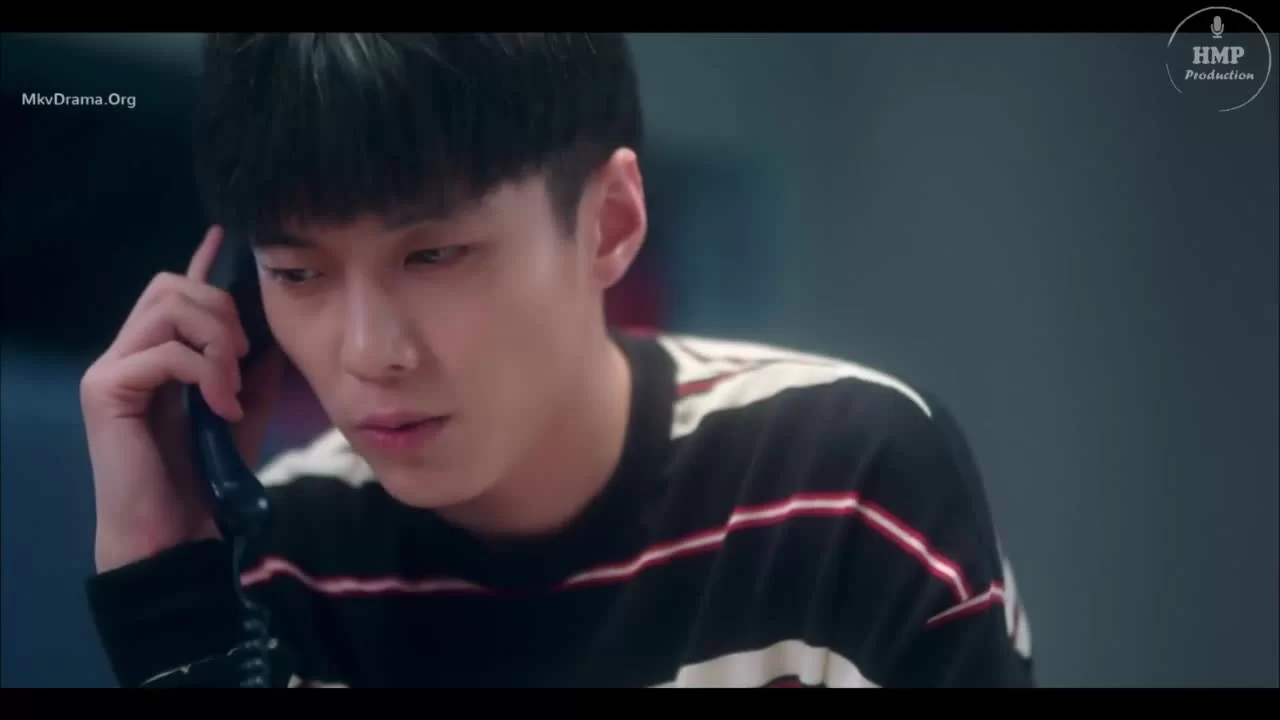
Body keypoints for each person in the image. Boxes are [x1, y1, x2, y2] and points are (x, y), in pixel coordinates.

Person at [79, 32, 1034, 688]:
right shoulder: (285, 555)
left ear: (609, 222)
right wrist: (169, 599)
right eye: (298, 274)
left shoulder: (841, 487)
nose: (369, 354)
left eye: (434, 255)